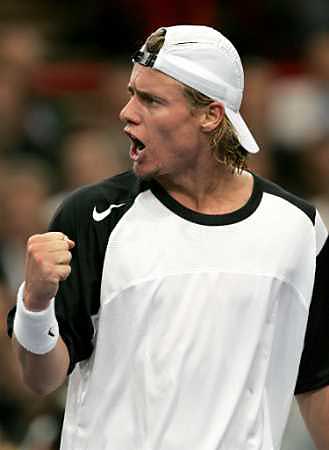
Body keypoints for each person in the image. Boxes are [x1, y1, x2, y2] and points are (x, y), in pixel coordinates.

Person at [7, 25, 329, 450]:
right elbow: (40, 379)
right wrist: (36, 305)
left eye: (151, 100)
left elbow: (318, 381)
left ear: (210, 115)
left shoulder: (298, 228)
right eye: (131, 92)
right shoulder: (90, 216)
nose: (126, 112)